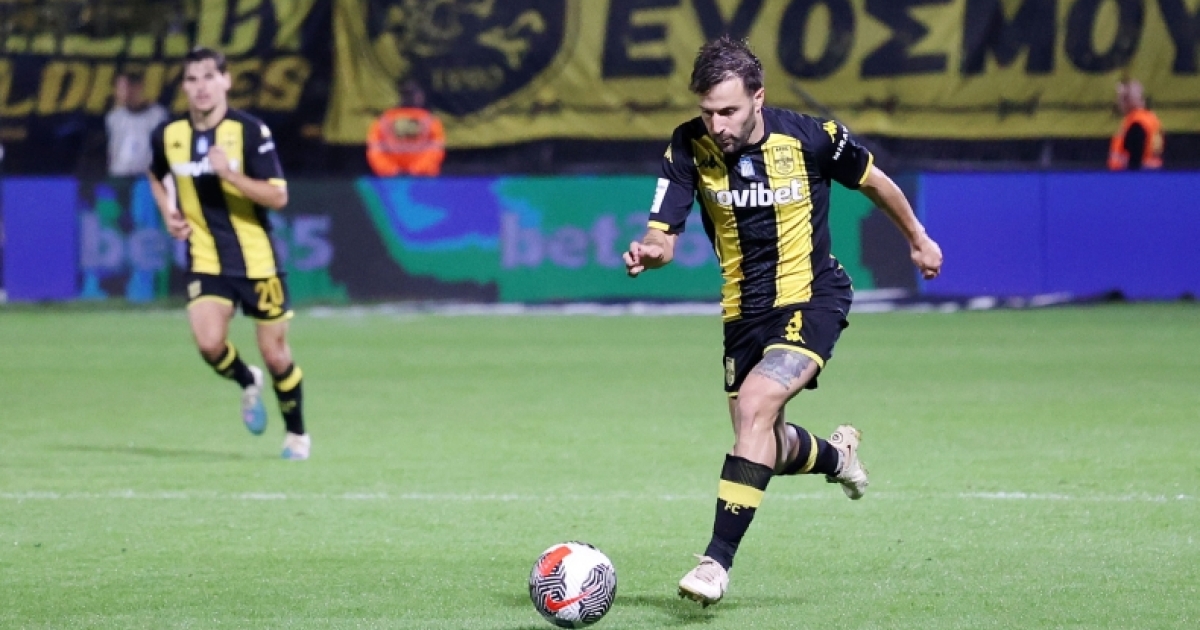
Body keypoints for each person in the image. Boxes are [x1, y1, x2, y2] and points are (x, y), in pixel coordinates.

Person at [623, 36, 943, 606]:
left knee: (754, 407)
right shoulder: (688, 145)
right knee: (762, 439)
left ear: (758, 97)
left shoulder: (812, 137)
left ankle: (715, 564)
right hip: (742, 312)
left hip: (811, 297)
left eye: (728, 110)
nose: (717, 124)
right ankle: (837, 457)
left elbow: (876, 182)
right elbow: (663, 232)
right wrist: (651, 250)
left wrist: (918, 238)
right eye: (708, 111)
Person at [146, 47, 311, 460]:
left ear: (226, 81)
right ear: (184, 87)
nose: (201, 87)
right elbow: (155, 172)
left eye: (209, 77)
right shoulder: (169, 134)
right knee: (208, 344)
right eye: (192, 79)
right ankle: (246, 379)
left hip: (257, 261)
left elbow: (278, 196)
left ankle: (297, 434)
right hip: (206, 258)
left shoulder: (250, 132)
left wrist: (230, 175)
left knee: (276, 355)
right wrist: (168, 210)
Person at [366, 80, 445, 177]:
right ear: (419, 97)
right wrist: (416, 170)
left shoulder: (384, 120)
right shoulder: (430, 121)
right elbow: (435, 152)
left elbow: (375, 151)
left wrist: (392, 171)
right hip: (423, 179)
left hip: (390, 180)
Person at [106, 72, 169, 177]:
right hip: (118, 174)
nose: (119, 93)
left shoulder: (158, 116)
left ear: (137, 87)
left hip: (147, 176)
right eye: (117, 89)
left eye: (123, 88)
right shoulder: (114, 117)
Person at [1108, 79, 1163, 171]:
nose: (1118, 102)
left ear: (1129, 100)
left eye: (1121, 98)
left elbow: (1134, 159)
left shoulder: (1136, 124)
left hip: (1133, 176)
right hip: (1151, 173)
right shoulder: (1150, 119)